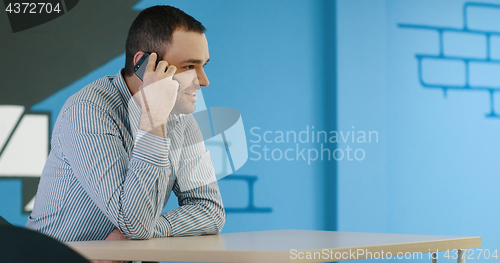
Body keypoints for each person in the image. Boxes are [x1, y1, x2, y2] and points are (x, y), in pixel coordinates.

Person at [26, 5, 225, 243]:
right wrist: (154, 119)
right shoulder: (87, 110)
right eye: (189, 66)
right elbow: (135, 225)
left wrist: (152, 227)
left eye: (204, 66)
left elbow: (211, 211)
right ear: (143, 64)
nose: (203, 81)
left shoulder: (181, 119)